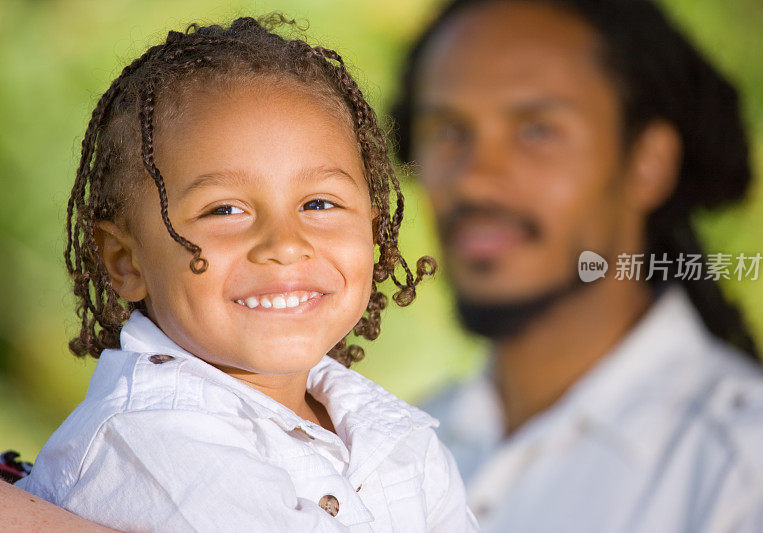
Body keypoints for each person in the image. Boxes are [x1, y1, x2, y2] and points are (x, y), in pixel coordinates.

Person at [14, 15, 477, 533]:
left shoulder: (391, 433)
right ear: (127, 260)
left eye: (319, 203)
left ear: (373, 228)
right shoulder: (153, 440)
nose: (284, 245)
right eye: (224, 211)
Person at [391, 0, 763, 531]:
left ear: (649, 164)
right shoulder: (394, 447)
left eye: (536, 130)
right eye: (447, 131)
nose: (473, 179)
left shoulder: (754, 477)